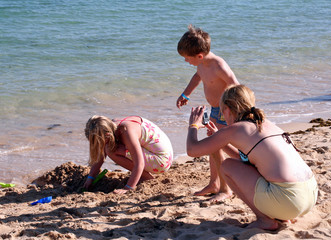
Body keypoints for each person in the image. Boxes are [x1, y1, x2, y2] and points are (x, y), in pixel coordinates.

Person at [187, 85, 318, 230]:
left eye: (223, 114)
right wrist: (221, 141)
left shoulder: (236, 128)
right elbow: (249, 161)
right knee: (249, 168)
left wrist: (193, 125)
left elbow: (192, 150)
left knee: (227, 166)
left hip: (288, 200)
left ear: (227, 110)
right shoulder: (266, 123)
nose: (224, 118)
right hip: (309, 194)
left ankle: (264, 220)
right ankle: (281, 216)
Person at [176, 25, 240, 202]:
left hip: (225, 111)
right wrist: (185, 94)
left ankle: (225, 189)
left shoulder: (218, 65)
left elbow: (236, 85)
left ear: (199, 56)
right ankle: (214, 183)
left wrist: (231, 110)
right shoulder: (202, 64)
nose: (186, 62)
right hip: (215, 110)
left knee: (217, 145)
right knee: (214, 147)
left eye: (187, 59)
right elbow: (197, 77)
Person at [83, 115, 173, 194]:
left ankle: (146, 177)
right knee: (109, 147)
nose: (98, 146)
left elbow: (139, 163)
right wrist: (90, 177)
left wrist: (128, 188)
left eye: (99, 142)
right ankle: (142, 175)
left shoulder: (127, 132)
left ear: (107, 135)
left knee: (111, 150)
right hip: (156, 152)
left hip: (162, 161)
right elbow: (101, 155)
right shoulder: (111, 126)